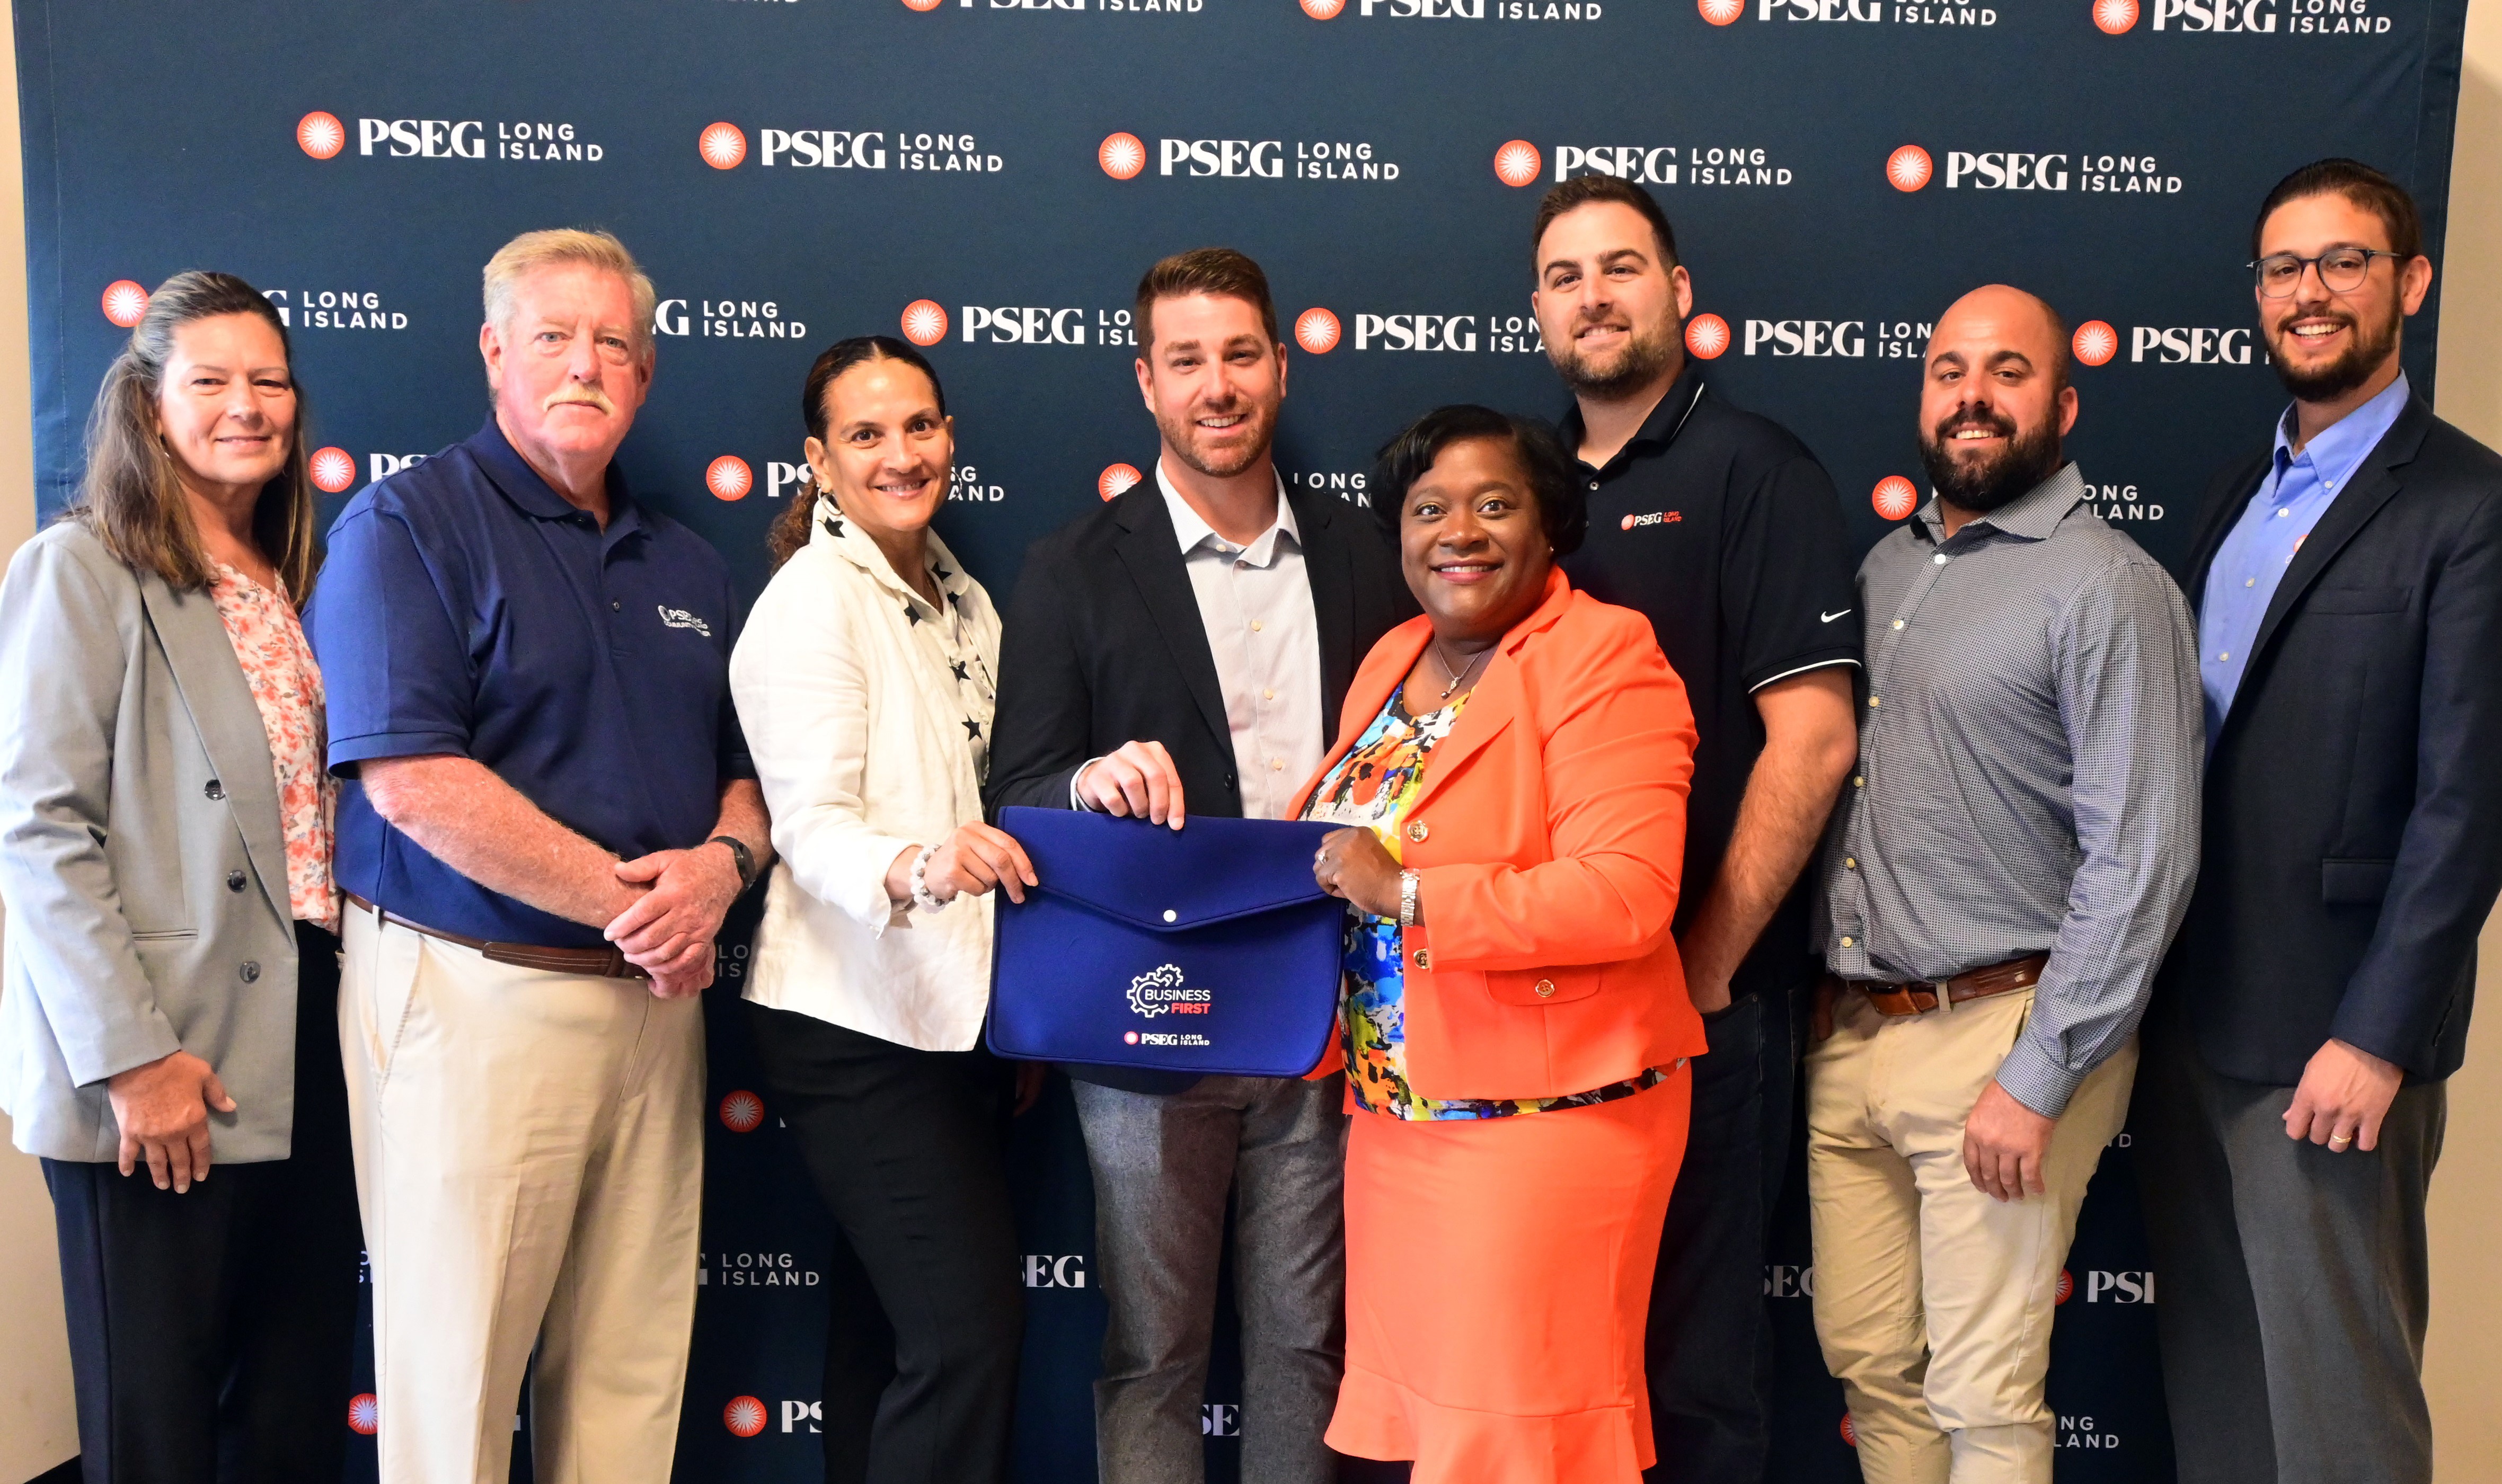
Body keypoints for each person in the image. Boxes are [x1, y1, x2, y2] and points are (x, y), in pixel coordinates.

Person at [305, 228, 771, 1484]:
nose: (586, 364)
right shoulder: (406, 525)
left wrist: (720, 872)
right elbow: (411, 781)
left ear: (648, 373)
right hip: (475, 996)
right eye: (554, 337)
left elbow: (747, 773)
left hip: (654, 1011)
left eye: (614, 342)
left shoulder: (689, 562)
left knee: (629, 1380)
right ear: (494, 352)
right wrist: (643, 912)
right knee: (454, 1389)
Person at [986, 246, 1409, 1484]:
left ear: (1281, 365)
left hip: (1327, 1006)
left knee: (1303, 1349)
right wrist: (1087, 782)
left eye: (1239, 355)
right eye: (1186, 362)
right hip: (1144, 1018)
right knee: (1155, 1351)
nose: (1216, 386)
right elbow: (1014, 788)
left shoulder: (1370, 553)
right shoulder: (1073, 566)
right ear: (1147, 383)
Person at [2137, 158, 2502, 1484]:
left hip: (2328, 1042)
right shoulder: (2238, 493)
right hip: (2191, 1019)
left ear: (2408, 282)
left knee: (2339, 1412)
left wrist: (2377, 1033)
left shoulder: (2470, 507)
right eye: (2285, 269)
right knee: (2225, 1389)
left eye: (2344, 262)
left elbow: (2468, 805)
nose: (2310, 293)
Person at [1808, 286, 2202, 1483]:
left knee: (1985, 1395)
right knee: (1874, 1371)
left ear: (2064, 402)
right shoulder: (1887, 564)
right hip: (1855, 1034)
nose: (1972, 397)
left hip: (2006, 1036)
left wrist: (2039, 1077)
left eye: (2008, 372)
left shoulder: (2107, 586)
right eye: (1948, 371)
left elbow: (2146, 857)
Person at [1525, 175, 1861, 1483]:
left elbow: (1816, 739)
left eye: (1621, 268)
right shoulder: (1524, 487)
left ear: (1679, 293)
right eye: (1565, 277)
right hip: (1548, 1006)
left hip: (1705, 1008)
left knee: (1699, 1377)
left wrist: (1706, 960)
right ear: (1538, 311)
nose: (1593, 297)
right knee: (1568, 1366)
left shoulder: (1756, 471)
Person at [1299, 405, 1704, 1483]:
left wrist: (1414, 890)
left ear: (1551, 524)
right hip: (1399, 1115)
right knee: (1440, 1437)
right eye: (1429, 509)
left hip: (1546, 1121)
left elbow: (1626, 895)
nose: (1458, 532)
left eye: (1494, 504)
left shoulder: (1605, 656)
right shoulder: (1396, 654)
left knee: (1526, 1446)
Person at [0, 271, 359, 1484]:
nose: (246, 406)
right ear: (151, 407)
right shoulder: (82, 569)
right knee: (155, 1430)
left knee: (292, 1411)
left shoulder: (294, 583)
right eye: (210, 381)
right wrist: (128, 1058)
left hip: (309, 1028)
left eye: (268, 381)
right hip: (164, 1052)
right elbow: (39, 829)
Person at [730, 336, 1032, 1484]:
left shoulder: (962, 595)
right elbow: (809, 829)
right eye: (866, 434)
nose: (900, 455)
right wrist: (923, 867)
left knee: (889, 1338)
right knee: (965, 1338)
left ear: (949, 437)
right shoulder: (811, 602)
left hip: (949, 1022)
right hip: (852, 1029)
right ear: (819, 460)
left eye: (919, 427)